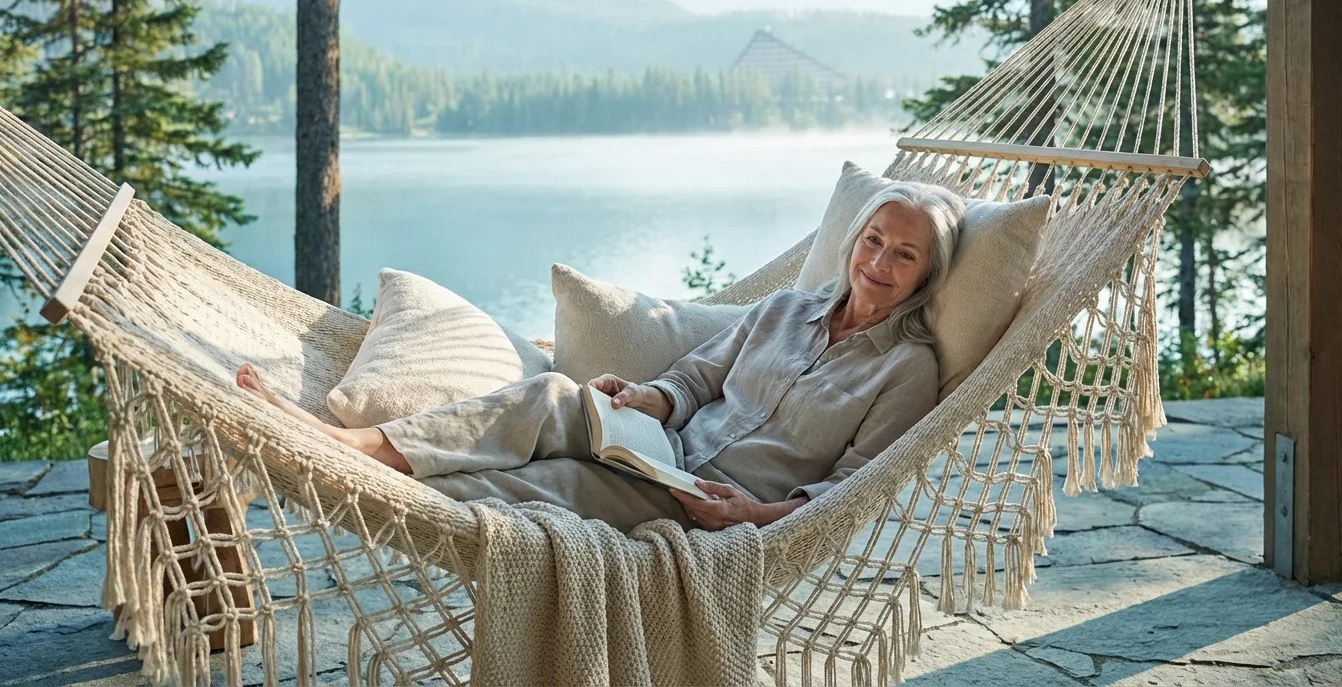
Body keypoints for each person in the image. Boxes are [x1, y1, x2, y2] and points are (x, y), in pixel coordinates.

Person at [236, 182, 965, 533]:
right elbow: (697, 378)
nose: (879, 263)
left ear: (926, 273)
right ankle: (357, 448)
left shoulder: (909, 368)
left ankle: (373, 495)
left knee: (552, 484)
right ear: (854, 241)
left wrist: (756, 512)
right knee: (554, 392)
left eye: (904, 255)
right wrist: (649, 399)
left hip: (708, 497)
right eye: (873, 240)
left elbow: (856, 485)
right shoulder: (783, 309)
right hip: (664, 447)